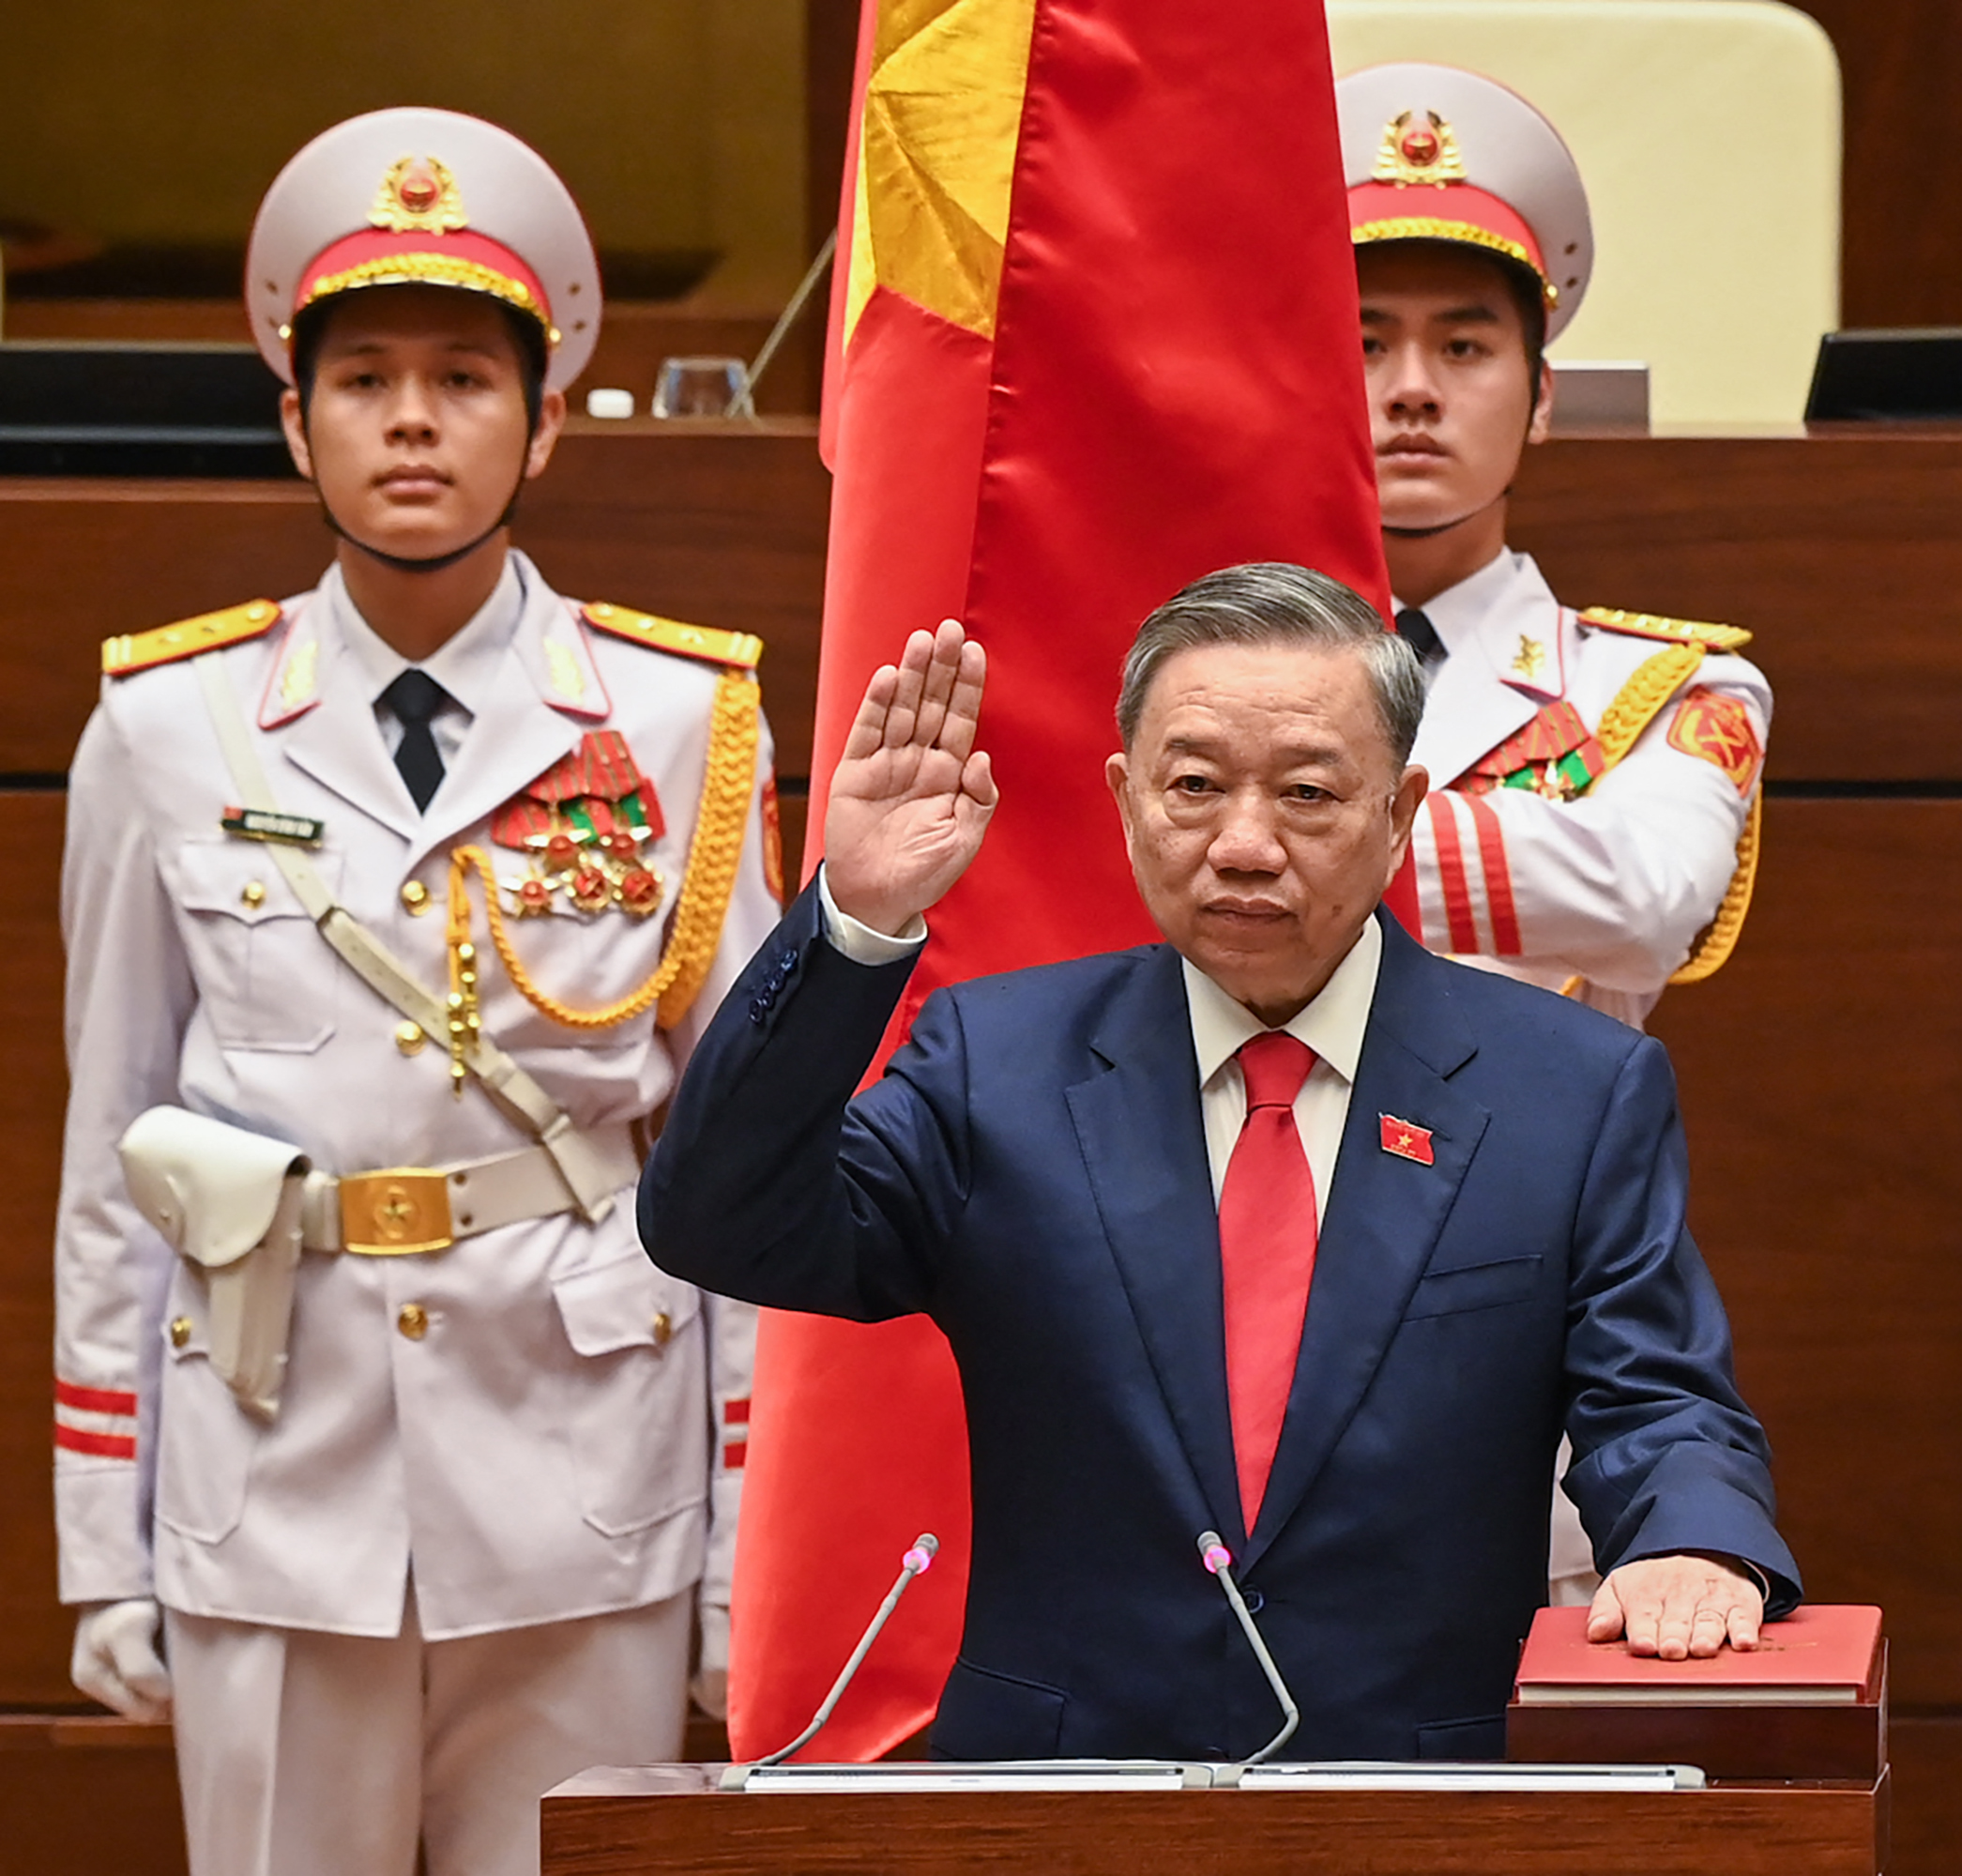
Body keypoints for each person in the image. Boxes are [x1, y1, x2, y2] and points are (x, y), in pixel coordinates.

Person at [638, 563, 1799, 1762]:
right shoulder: (1000, 1061)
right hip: (1054, 1793)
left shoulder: (1569, 1089)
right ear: (1126, 797)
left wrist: (1690, 1543)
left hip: (1418, 1786)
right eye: (1193, 787)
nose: (1244, 844)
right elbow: (720, 1223)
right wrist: (856, 922)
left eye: (1306, 793)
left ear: (1400, 813)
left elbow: (1657, 1396)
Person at [52, 108, 782, 1876]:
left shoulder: (680, 722)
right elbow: (112, 1153)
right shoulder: (168, 729)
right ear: (294, 418)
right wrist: (106, 1534)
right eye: (362, 375)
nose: (409, 417)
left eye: (464, 376)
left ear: (542, 424)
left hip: (590, 1472)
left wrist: (752, 1553)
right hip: (271, 1467)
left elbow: (753, 1166)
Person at [1341, 61, 1772, 1602]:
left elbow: (1649, 896)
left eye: (1464, 344)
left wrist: (1278, 826)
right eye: (1367, 340)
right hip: (1245, 1296)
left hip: (1531, 1304)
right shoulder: (1189, 667)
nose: (1410, 387)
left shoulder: (1663, 683)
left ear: (1539, 388)